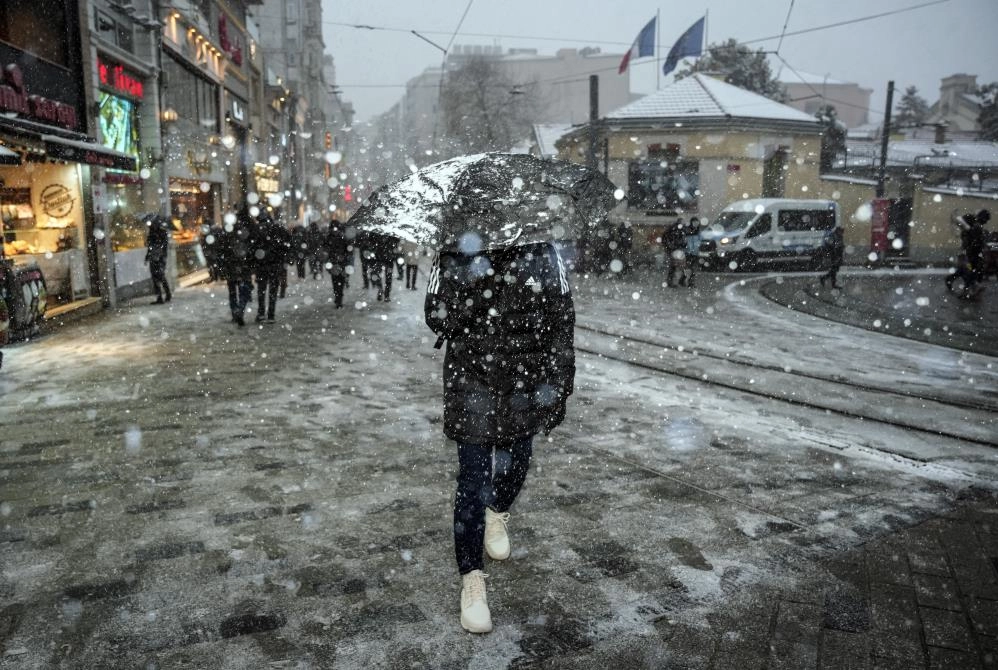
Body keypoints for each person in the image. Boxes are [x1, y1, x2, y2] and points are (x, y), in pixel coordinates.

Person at [424, 239, 575, 634]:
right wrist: (478, 285)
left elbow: (561, 319)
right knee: (473, 479)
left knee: (518, 461)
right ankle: (471, 577)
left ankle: (498, 511)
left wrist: (559, 385)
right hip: (471, 381)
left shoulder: (544, 251)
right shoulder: (453, 250)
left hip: (524, 381)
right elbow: (436, 316)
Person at [253, 214, 291, 322]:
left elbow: (251, 248)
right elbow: (287, 243)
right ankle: (271, 314)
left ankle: (261, 313)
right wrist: (282, 257)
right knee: (273, 290)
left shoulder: (256, 230)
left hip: (261, 265)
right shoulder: (278, 229)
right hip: (275, 264)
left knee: (261, 290)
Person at [323, 218, 352, 308]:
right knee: (336, 282)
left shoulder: (342, 237)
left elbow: (349, 250)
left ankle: (339, 299)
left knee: (340, 282)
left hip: (340, 263)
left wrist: (345, 257)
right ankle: (338, 297)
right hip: (334, 263)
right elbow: (325, 251)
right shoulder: (329, 238)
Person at [144, 214, 172, 304]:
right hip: (155, 257)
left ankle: (165, 295)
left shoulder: (161, 232)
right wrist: (148, 256)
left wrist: (159, 254)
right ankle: (162, 296)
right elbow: (150, 246)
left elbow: (163, 246)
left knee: (159, 276)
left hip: (159, 257)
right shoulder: (152, 232)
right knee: (157, 277)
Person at [369, 232, 398, 302]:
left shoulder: (392, 232)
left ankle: (386, 294)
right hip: (379, 258)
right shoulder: (376, 232)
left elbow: (396, 242)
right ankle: (381, 290)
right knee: (377, 276)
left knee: (388, 277)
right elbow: (371, 241)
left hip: (388, 258)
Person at [819, 225, 845, 289]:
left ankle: (825, 279)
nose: (842, 232)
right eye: (841, 231)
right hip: (834, 255)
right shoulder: (833, 236)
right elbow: (831, 246)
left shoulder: (839, 236)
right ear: (838, 231)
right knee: (834, 270)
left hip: (838, 255)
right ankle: (830, 282)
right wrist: (834, 253)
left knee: (834, 270)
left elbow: (840, 245)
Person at [663, 219, 686, 287]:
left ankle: (677, 281)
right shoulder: (673, 230)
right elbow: (666, 239)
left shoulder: (680, 230)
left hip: (678, 250)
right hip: (674, 250)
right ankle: (672, 282)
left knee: (679, 266)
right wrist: (670, 247)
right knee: (675, 266)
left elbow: (683, 240)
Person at [679, 217, 701, 288]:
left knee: (692, 269)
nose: (696, 224)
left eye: (697, 222)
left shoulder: (698, 230)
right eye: (694, 222)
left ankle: (689, 282)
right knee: (689, 268)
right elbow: (684, 241)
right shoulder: (687, 230)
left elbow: (698, 241)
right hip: (688, 253)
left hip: (695, 253)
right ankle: (685, 281)